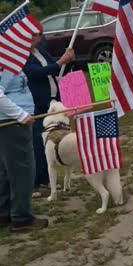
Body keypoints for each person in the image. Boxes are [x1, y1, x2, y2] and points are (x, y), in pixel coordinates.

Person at [23, 30, 74, 198]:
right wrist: (60, 62)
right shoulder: (21, 57)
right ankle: (36, 183)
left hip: (52, 101)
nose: (33, 37)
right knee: (39, 142)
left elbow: (54, 68)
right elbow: (36, 73)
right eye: (29, 34)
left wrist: (66, 61)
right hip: (37, 104)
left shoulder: (40, 51)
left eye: (36, 34)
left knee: (56, 138)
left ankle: (47, 179)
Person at [0, 69, 49, 232]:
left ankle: (5, 213)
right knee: (22, 170)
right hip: (12, 122)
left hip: (10, 121)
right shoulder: (5, 60)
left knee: (7, 170)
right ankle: (22, 218)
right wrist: (20, 114)